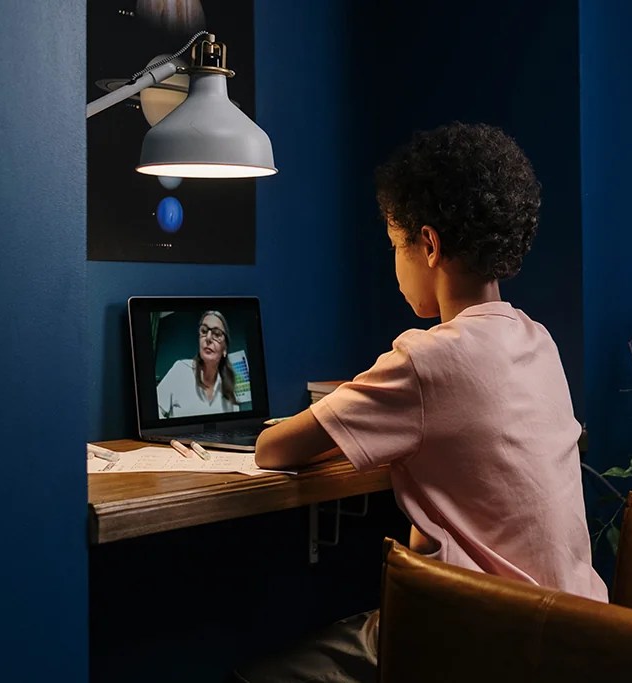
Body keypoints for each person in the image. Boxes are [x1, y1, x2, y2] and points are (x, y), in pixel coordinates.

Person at [233, 122, 605, 683]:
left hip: (479, 638)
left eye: (394, 245)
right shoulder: (537, 339)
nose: (395, 265)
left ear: (428, 245)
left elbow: (272, 449)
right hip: (577, 634)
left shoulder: (427, 359)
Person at [156, 310, 240, 418]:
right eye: (204, 331)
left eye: (217, 334)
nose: (208, 338)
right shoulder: (180, 369)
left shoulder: (229, 391)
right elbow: (155, 410)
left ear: (224, 350)